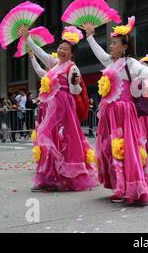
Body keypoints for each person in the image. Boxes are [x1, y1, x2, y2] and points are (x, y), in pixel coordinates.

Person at [84, 17, 148, 204]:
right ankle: (118, 184)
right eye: (111, 43)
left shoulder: (129, 63)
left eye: (114, 43)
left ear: (124, 47)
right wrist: (90, 37)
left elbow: (146, 72)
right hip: (110, 113)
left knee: (125, 149)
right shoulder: (111, 63)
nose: (111, 46)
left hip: (124, 112)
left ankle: (126, 187)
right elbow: (100, 54)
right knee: (109, 147)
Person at [26, 26, 98, 192]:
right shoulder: (56, 63)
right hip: (51, 109)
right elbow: (41, 54)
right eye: (60, 48)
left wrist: (76, 84)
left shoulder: (72, 67)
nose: (61, 50)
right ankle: (51, 177)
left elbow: (74, 92)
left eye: (66, 49)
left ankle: (66, 177)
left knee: (65, 140)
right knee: (50, 140)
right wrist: (28, 38)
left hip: (64, 108)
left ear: (72, 53)